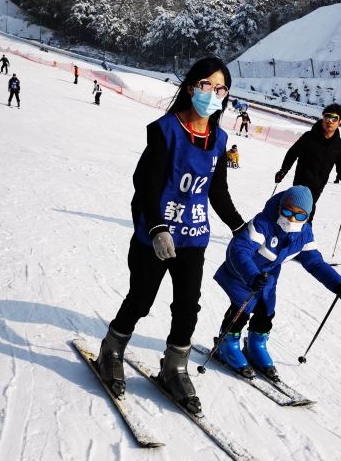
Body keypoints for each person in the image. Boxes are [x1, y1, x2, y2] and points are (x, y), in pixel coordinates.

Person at [95, 55, 245, 414]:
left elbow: (217, 191)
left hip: (193, 236)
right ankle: (111, 350)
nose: (213, 93)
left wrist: (240, 227)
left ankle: (174, 367)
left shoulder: (219, 139)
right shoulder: (167, 130)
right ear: (192, 88)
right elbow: (145, 185)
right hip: (156, 236)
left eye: (221, 89)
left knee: (188, 306)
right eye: (207, 85)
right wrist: (157, 227)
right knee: (141, 299)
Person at [213, 185, 341, 379]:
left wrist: (336, 282)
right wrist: (251, 275)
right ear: (280, 208)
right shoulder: (263, 223)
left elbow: (314, 262)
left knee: (266, 311)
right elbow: (239, 249)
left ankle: (255, 346)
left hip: (267, 278)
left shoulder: (304, 234)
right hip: (241, 272)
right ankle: (227, 345)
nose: (292, 219)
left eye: (299, 215)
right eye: (287, 212)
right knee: (241, 309)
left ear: (307, 216)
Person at [275, 103, 341, 221]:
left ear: (339, 122)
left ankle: (302, 231)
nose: (329, 121)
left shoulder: (339, 146)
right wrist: (283, 170)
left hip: (318, 186)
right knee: (296, 210)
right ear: (322, 118)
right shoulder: (309, 137)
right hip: (301, 182)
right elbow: (293, 153)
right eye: (327, 117)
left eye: (334, 118)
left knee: (306, 213)